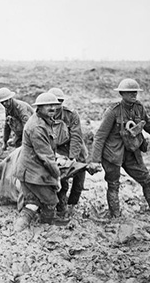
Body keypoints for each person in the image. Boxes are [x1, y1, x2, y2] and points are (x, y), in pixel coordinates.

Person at [90, 78, 150, 221]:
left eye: (135, 92)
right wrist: (95, 161)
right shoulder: (113, 111)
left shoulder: (139, 108)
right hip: (112, 154)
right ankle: (115, 216)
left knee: (146, 179)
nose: (133, 95)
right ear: (122, 93)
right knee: (113, 184)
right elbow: (100, 136)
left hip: (132, 152)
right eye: (129, 93)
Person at [14, 92, 70, 231]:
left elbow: (48, 151)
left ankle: (19, 229)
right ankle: (46, 226)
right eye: (48, 105)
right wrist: (56, 176)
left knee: (33, 203)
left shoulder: (44, 121)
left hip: (30, 168)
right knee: (51, 201)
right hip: (33, 171)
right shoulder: (37, 127)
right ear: (39, 108)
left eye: (54, 105)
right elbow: (46, 157)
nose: (52, 108)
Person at [48, 88, 88, 216]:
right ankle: (61, 207)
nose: (56, 106)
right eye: (53, 103)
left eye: (59, 102)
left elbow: (76, 137)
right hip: (57, 150)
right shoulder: (44, 115)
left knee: (79, 182)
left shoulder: (71, 115)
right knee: (61, 180)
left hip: (76, 150)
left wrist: (72, 157)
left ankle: (72, 205)